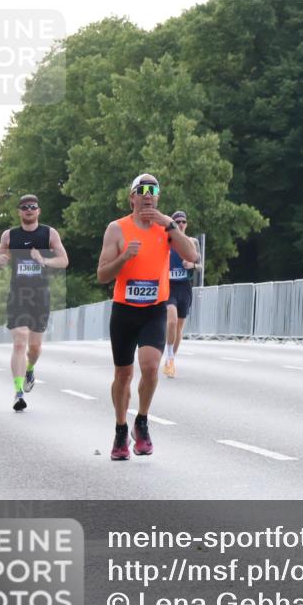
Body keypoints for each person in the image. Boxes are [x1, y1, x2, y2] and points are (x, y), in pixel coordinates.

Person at [97, 174, 198, 460]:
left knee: (151, 366)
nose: (147, 195)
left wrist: (170, 225)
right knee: (123, 374)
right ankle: (120, 429)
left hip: (154, 309)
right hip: (125, 311)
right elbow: (102, 274)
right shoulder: (117, 229)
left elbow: (192, 255)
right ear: (132, 198)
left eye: (152, 190)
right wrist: (124, 258)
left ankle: (141, 420)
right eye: (141, 190)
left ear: (157, 197)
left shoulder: (165, 228)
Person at [0, 195, 69, 411]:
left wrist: (43, 260)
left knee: (34, 348)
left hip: (40, 297)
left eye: (32, 207)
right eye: (25, 207)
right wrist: (0, 259)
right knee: (20, 341)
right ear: (19, 211)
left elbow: (64, 260)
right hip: (17, 295)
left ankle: (29, 368)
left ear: (38, 211)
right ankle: (18, 393)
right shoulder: (10, 235)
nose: (28, 210)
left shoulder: (49, 233)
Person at [162, 211, 199, 379]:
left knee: (179, 327)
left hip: (184, 287)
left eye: (184, 221)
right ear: (173, 224)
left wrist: (191, 265)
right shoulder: (166, 241)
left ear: (187, 224)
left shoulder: (192, 242)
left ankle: (171, 360)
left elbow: (200, 265)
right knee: (171, 321)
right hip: (169, 286)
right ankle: (168, 354)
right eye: (177, 221)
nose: (181, 224)